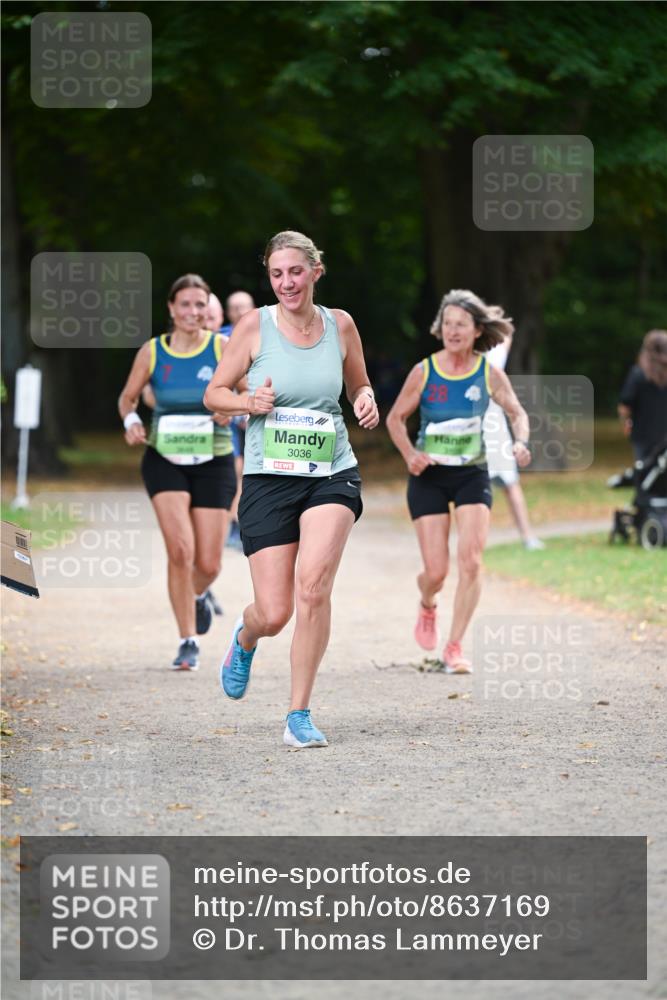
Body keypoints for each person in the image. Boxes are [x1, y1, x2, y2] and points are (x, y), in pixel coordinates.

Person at [204, 231, 379, 748]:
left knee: (313, 588)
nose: (286, 283)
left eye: (295, 272)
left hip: (331, 472)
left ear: (315, 272)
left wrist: (366, 400)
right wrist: (247, 404)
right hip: (268, 478)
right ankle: (245, 637)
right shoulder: (253, 327)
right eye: (277, 274)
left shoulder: (340, 324)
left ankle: (298, 714)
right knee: (275, 612)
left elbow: (358, 383)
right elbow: (215, 393)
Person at [386, 289, 531, 674]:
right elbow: (395, 419)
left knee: (471, 561)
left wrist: (521, 442)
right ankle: (428, 602)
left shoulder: (487, 372)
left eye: (460, 324)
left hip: (471, 475)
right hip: (429, 477)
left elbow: (517, 413)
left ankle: (454, 647)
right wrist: (410, 455)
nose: (452, 331)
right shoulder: (424, 371)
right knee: (436, 571)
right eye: (447, 323)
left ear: (476, 329)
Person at [118, 274, 237, 671]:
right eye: (185, 304)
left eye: (200, 304)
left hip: (214, 461)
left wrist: (230, 408)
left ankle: (198, 594)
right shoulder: (153, 352)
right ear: (171, 308)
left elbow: (248, 393)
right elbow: (127, 398)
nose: (193, 312)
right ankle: (187, 640)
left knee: (209, 564)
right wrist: (132, 420)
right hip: (164, 458)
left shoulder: (223, 347)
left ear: (208, 309)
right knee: (180, 551)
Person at [484, 334, 544, 550]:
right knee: (484, 488)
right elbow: (507, 334)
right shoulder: (486, 356)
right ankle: (524, 537)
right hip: (485, 430)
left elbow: (506, 334)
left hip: (493, 430)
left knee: (508, 485)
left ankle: (527, 536)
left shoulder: (486, 358)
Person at [222, 291, 256, 550]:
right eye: (234, 307)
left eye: (243, 307)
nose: (238, 311)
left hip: (257, 410)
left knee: (249, 469)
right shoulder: (222, 337)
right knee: (236, 468)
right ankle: (233, 523)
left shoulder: (264, 332)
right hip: (227, 413)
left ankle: (244, 521)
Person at [618, 329, 667, 463]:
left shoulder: (638, 374)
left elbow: (625, 407)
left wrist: (626, 423)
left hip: (642, 436)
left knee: (645, 474)